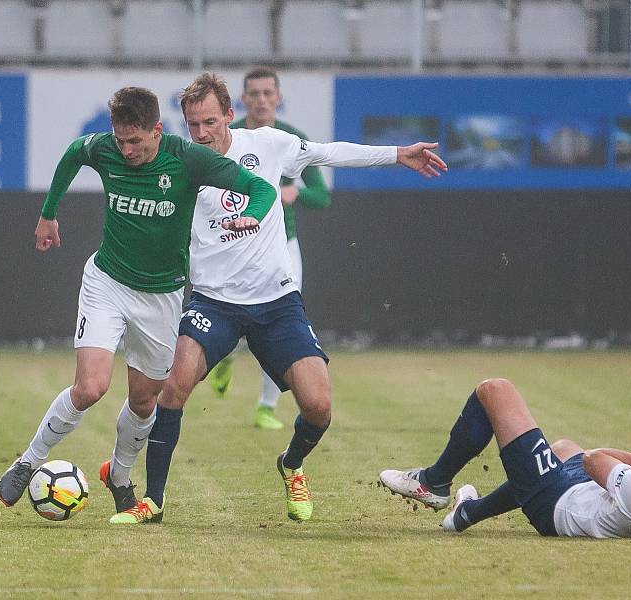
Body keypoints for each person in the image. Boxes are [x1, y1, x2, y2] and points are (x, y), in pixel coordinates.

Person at [107, 72, 446, 524]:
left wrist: (398, 153)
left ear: (230, 115)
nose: (203, 133)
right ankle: (155, 499)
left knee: (318, 405)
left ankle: (291, 464)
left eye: (210, 121)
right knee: (174, 386)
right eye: (193, 125)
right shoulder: (177, 162)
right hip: (213, 302)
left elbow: (328, 152)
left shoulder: (268, 143)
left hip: (276, 302)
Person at [0, 87, 276, 523]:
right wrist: (48, 213)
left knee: (145, 401)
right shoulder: (106, 148)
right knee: (90, 387)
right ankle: (29, 460)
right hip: (107, 281)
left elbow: (258, 188)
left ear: (157, 131)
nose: (125, 150)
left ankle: (120, 476)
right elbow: (73, 153)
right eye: (120, 140)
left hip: (161, 296)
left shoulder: (188, 158)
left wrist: (253, 214)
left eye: (135, 142)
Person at [380, 378, 631, 538]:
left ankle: (435, 482)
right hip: (584, 495)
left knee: (495, 391)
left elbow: (594, 459)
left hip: (554, 504)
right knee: (563, 447)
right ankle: (467, 514)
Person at [208, 66, 331, 431]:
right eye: (254, 94)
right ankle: (224, 353)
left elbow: (322, 196)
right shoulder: (228, 136)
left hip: (281, 247)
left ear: (278, 97)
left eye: (267, 93)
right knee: (228, 309)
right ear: (242, 100)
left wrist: (297, 192)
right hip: (234, 244)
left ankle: (266, 406)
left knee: (281, 318)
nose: (261, 100)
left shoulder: (292, 137)